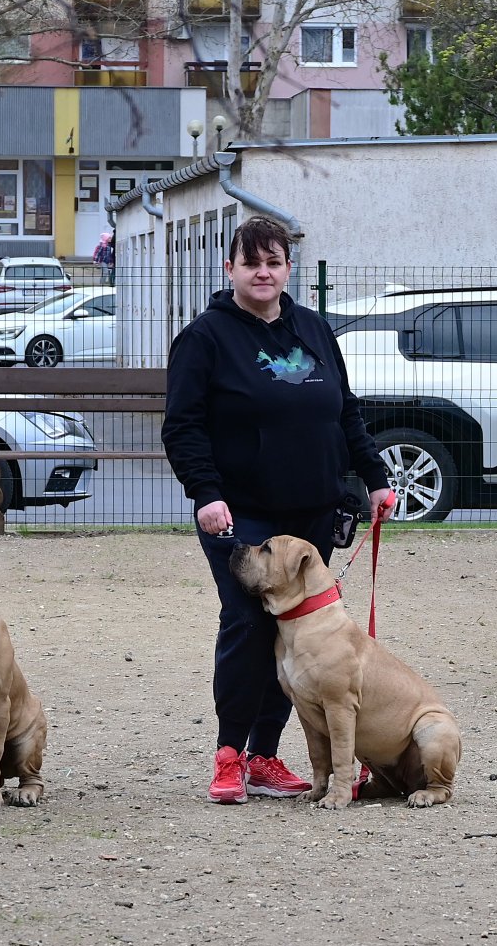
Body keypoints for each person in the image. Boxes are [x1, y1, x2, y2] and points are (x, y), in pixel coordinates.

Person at [161, 215, 395, 805]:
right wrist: (205, 494)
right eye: (251, 262)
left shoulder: (313, 329)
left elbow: (345, 410)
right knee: (247, 624)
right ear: (230, 269)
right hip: (241, 516)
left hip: (313, 512)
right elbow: (183, 427)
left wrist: (374, 477)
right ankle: (229, 755)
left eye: (273, 262)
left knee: (299, 636)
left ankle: (266, 753)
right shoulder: (205, 338)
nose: (263, 273)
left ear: (288, 268)